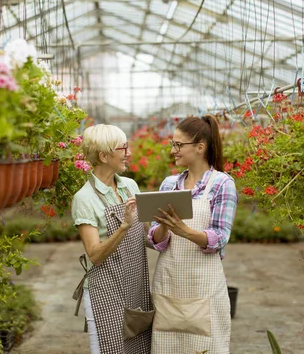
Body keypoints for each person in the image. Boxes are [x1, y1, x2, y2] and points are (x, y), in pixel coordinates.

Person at [147, 114, 237, 354]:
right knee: (167, 346)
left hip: (204, 287)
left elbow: (220, 237)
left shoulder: (221, 184)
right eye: (172, 144)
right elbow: (155, 240)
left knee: (206, 347)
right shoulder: (169, 184)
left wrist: (184, 231)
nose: (173, 150)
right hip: (169, 284)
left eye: (179, 145)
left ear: (200, 147)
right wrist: (165, 225)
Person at [71, 124, 153, 354]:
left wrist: (165, 220)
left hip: (136, 288)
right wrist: (124, 226)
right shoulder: (84, 198)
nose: (128, 153)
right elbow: (95, 255)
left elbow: (147, 238)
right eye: (123, 148)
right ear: (104, 155)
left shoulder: (130, 186)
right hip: (105, 293)